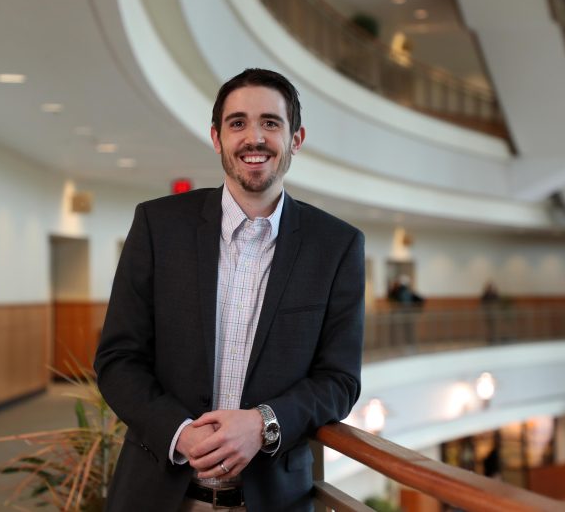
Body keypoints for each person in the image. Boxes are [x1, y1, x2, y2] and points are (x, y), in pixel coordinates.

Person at [94, 68, 365, 512]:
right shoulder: (158, 226)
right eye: (238, 123)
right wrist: (179, 432)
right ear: (217, 138)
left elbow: (339, 381)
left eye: (270, 123)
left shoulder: (337, 245)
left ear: (296, 139)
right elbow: (118, 359)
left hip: (272, 501)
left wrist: (263, 424)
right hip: (157, 495)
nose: (254, 138)